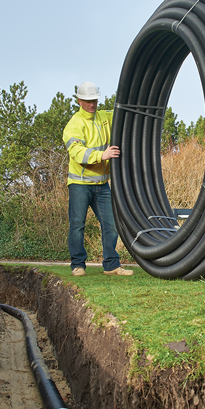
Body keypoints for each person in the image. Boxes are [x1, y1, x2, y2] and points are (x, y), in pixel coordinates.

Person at [63, 81, 133, 277]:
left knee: (110, 224)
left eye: (94, 100)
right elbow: (77, 152)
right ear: (79, 100)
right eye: (87, 101)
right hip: (79, 184)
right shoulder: (74, 125)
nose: (91, 104)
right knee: (77, 225)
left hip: (102, 185)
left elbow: (123, 114)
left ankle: (111, 265)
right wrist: (101, 155)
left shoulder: (104, 117)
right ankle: (78, 265)